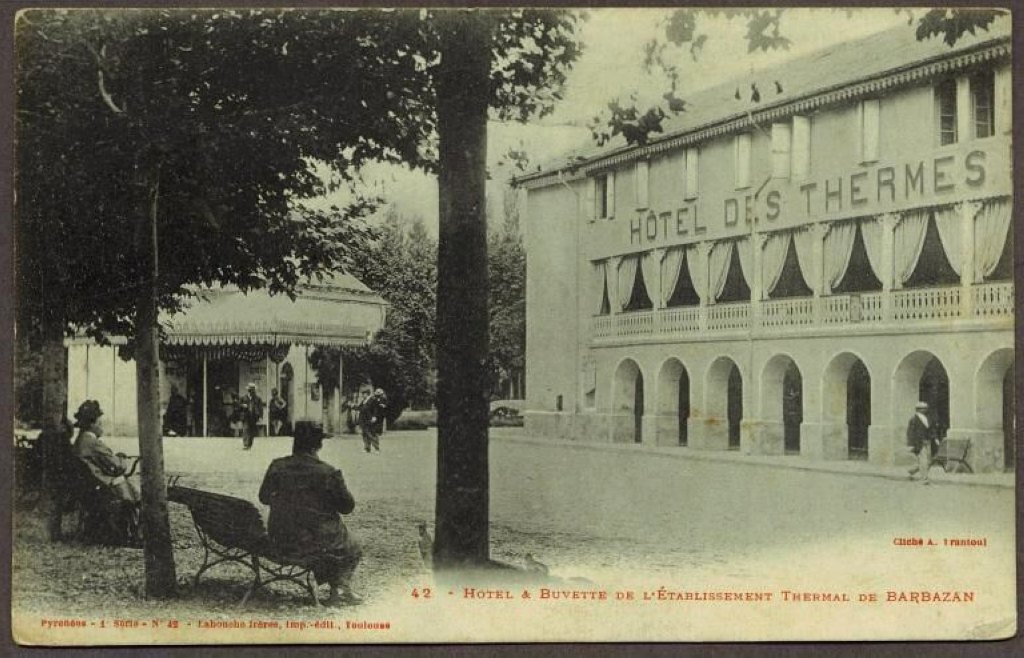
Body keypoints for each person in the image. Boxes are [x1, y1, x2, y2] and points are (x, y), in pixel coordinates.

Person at [258, 421, 363, 605]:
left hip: (281, 539)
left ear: (295, 442)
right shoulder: (328, 472)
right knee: (351, 543)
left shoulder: (277, 466)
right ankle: (338, 588)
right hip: (315, 543)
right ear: (318, 445)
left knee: (329, 536)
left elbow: (264, 498)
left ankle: (338, 588)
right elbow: (347, 507)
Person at [71, 400, 141, 545]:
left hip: (87, 486)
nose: (102, 427)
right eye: (100, 423)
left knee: (125, 485)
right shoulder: (92, 443)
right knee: (127, 487)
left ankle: (132, 529)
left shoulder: (80, 440)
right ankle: (134, 533)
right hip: (100, 488)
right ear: (92, 424)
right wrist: (121, 459)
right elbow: (117, 466)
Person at [906, 401, 938, 484]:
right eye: (923, 408)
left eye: (926, 408)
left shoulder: (927, 418)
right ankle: (924, 478)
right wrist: (911, 444)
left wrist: (935, 438)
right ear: (918, 409)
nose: (925, 410)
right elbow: (910, 433)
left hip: (928, 441)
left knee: (929, 460)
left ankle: (912, 470)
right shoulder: (913, 420)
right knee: (924, 460)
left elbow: (931, 429)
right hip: (919, 442)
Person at [358, 388, 387, 453]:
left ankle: (377, 448)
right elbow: (360, 408)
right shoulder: (364, 401)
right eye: (362, 394)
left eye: (364, 394)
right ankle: (367, 448)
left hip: (370, 419)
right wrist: (352, 406)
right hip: (363, 420)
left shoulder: (372, 400)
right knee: (365, 434)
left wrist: (374, 417)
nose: (363, 395)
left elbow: (375, 409)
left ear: (367, 394)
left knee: (371, 434)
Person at [241, 383, 265, 450]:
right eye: (250, 390)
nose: (252, 391)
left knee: (252, 431)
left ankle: (249, 444)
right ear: (248, 390)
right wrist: (242, 406)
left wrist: (260, 416)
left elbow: (260, 408)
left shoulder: (258, 399)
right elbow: (239, 406)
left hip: (254, 417)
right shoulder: (244, 398)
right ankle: (245, 444)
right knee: (245, 429)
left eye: (253, 390)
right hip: (246, 416)